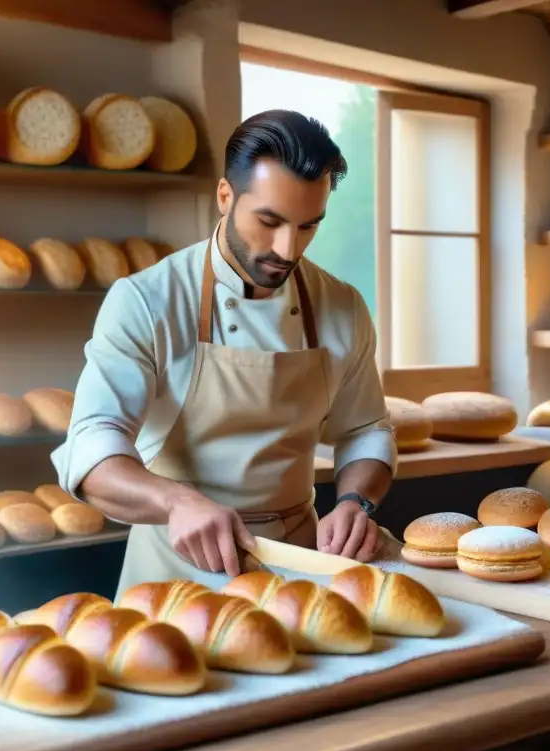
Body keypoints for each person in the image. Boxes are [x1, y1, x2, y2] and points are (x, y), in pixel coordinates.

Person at [52, 109, 397, 597]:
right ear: (224, 196)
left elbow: (365, 430)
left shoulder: (342, 306)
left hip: (301, 566)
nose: (287, 248)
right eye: (270, 221)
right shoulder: (148, 300)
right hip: (176, 575)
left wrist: (356, 503)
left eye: (307, 227)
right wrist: (175, 501)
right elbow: (92, 450)